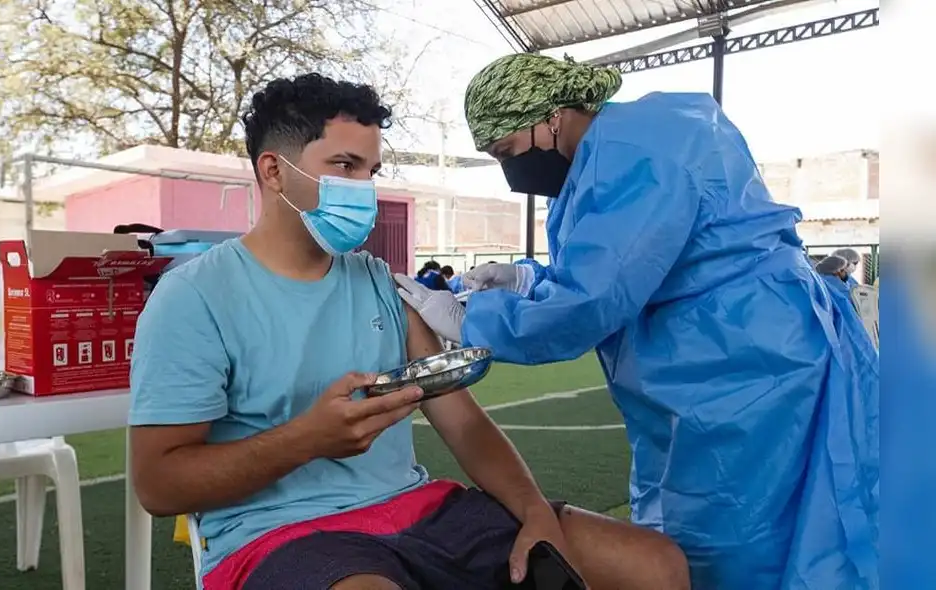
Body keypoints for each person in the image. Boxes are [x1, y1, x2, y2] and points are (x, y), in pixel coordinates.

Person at [128, 73, 688, 590]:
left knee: (655, 566)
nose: (363, 188)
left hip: (417, 510)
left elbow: (461, 420)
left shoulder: (376, 281)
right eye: (344, 166)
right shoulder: (194, 297)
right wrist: (307, 440)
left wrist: (535, 508)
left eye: (370, 171)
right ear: (273, 171)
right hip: (284, 532)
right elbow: (159, 485)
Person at [394, 53, 879, 590]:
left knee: (744, 531)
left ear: (550, 116)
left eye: (506, 151)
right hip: (711, 356)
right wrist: (530, 280)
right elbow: (621, 264)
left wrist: (471, 322)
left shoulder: (640, 149)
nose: (511, 171)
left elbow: (597, 296)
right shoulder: (602, 157)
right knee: (688, 520)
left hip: (746, 360)